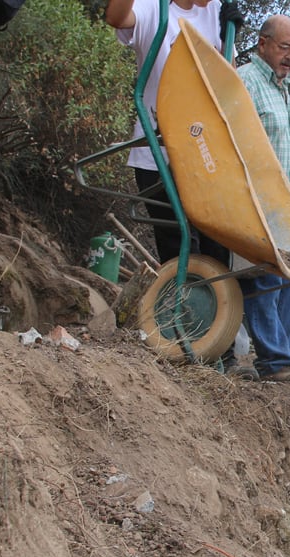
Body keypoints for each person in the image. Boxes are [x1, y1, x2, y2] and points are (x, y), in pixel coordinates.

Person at [106, 0, 251, 376]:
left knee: (217, 248)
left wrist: (230, 39)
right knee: (179, 246)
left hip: (204, 152)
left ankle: (222, 352)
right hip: (158, 153)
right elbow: (116, 17)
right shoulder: (153, 9)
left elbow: (224, 84)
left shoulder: (215, 11)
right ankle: (188, 347)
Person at [235, 15, 290, 385]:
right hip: (255, 198)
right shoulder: (244, 81)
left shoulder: (282, 88)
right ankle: (274, 361)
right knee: (262, 278)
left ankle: (282, 356)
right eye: (285, 47)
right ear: (262, 43)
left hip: (286, 202)